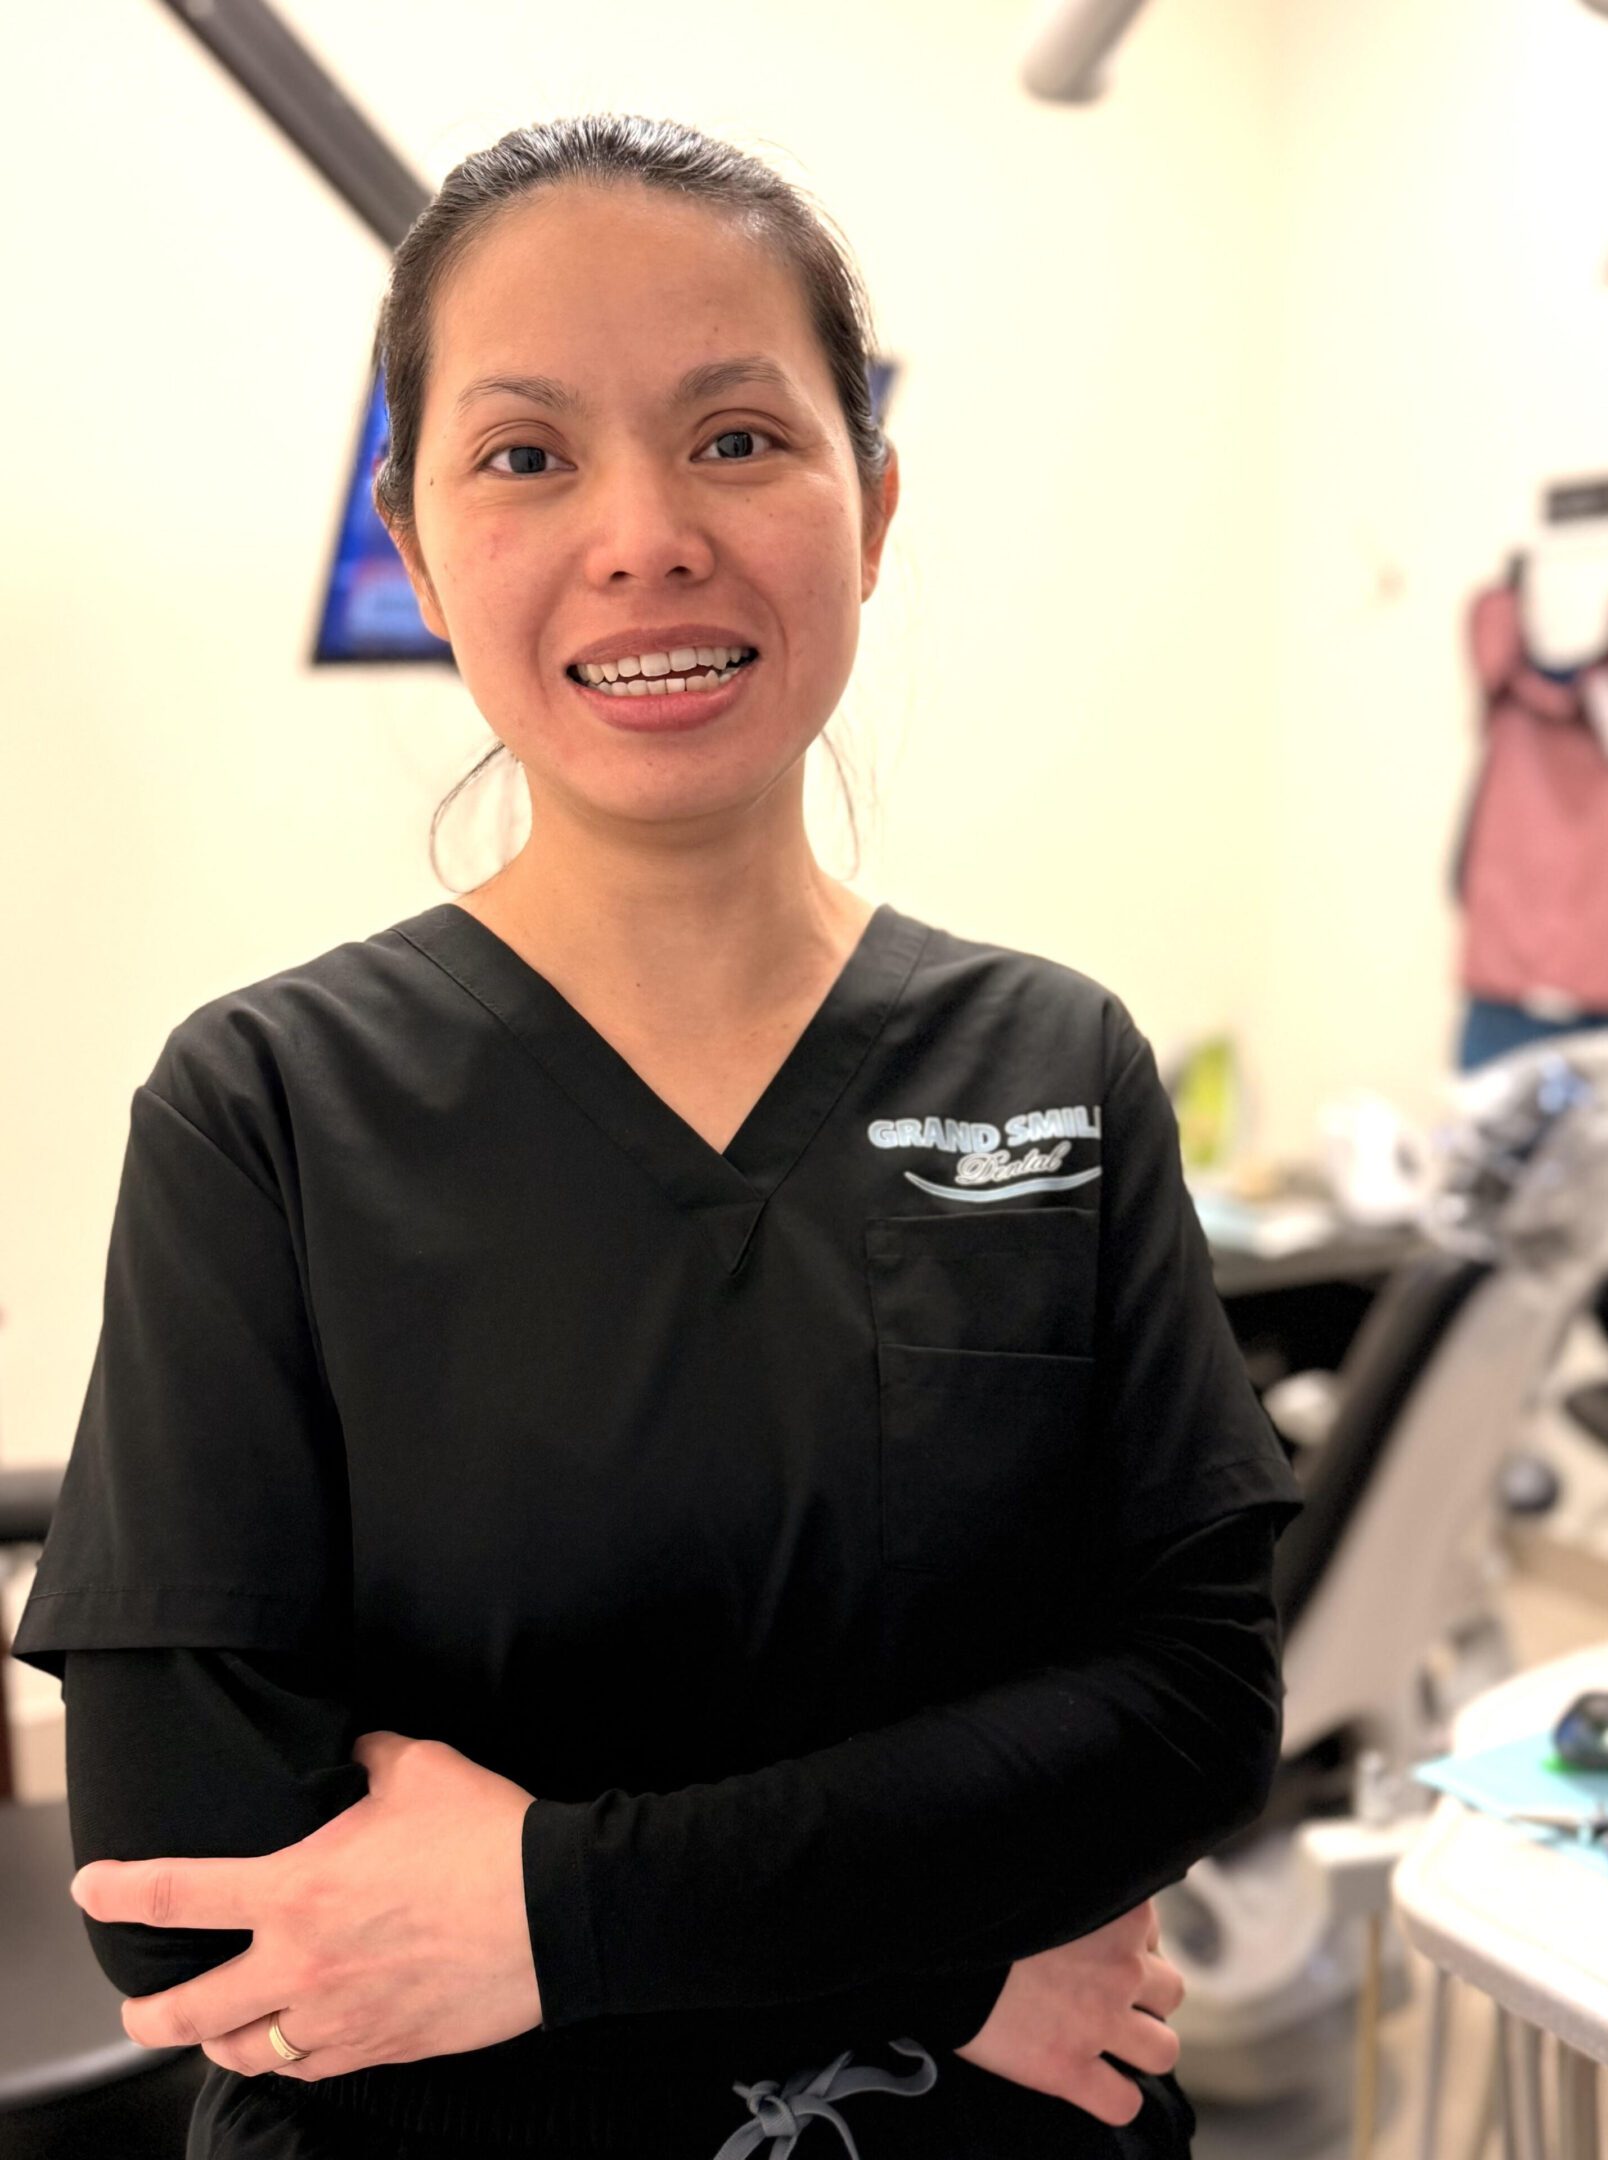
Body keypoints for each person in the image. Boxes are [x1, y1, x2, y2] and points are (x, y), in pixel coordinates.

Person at [12, 112, 1303, 2159]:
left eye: (736, 438)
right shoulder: (266, 1107)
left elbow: (1189, 1718)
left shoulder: (1048, 1062)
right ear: (418, 547)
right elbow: (192, 1897)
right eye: (526, 455)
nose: (644, 536)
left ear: (871, 508)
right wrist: (945, 1963)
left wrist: (530, 1912)